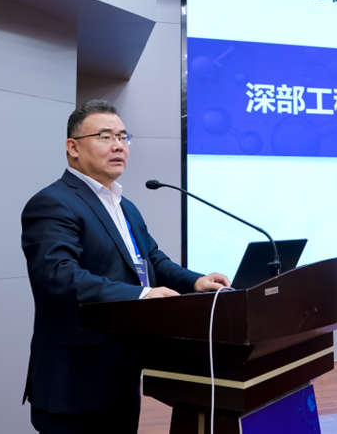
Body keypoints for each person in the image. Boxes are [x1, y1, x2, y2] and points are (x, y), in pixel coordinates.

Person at [21, 99, 230, 433]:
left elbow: (152, 260)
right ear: (73, 147)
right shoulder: (53, 202)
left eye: (123, 137)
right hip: (76, 382)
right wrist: (141, 296)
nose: (118, 145)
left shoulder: (124, 205)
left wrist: (195, 282)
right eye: (105, 137)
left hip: (121, 376)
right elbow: (58, 276)